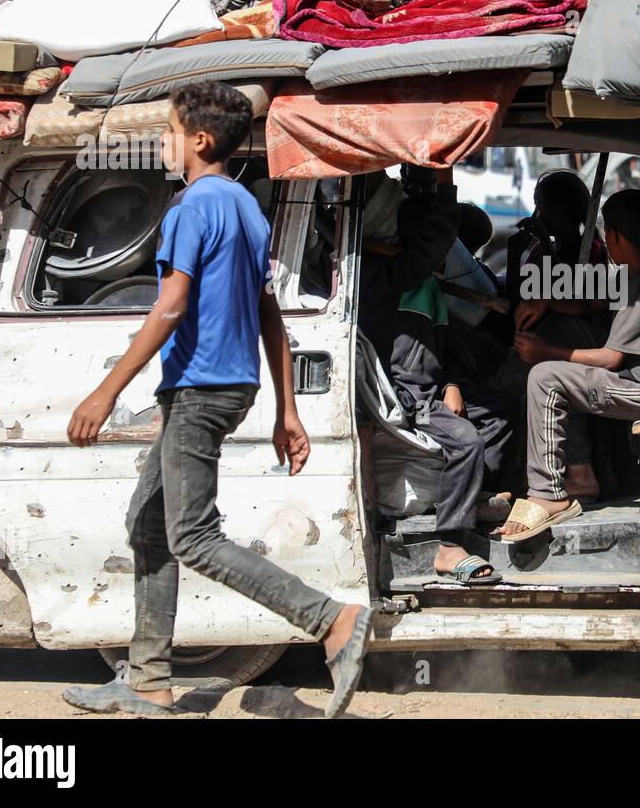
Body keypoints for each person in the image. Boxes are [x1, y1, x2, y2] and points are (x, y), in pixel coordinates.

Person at [61, 81, 371, 719]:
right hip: (231, 386)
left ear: (200, 140)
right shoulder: (247, 208)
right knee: (148, 526)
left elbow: (169, 307)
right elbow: (268, 313)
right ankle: (147, 680)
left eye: (171, 133)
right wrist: (288, 410)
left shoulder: (188, 207)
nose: (166, 146)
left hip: (199, 388)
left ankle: (332, 620)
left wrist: (104, 392)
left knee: (192, 538)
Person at [358, 164, 514, 583]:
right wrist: (445, 180)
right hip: (407, 397)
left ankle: (470, 496)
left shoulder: (426, 284)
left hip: (431, 390)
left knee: (498, 412)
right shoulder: (384, 278)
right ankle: (449, 544)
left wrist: (452, 384)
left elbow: (439, 352)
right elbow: (435, 240)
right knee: (464, 441)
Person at [497, 190, 640, 541]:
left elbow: (610, 358)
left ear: (614, 236)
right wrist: (548, 302)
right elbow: (594, 305)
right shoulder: (631, 272)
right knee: (560, 332)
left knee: (544, 376)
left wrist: (546, 351)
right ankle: (566, 469)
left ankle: (549, 492)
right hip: (628, 370)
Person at [497, 170, 609, 498]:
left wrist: (546, 250)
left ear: (562, 211)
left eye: (541, 207)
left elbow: (593, 303)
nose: (537, 215)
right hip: (547, 338)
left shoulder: (593, 251)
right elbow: (521, 300)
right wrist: (518, 256)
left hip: (583, 340)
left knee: (531, 372)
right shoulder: (536, 251)